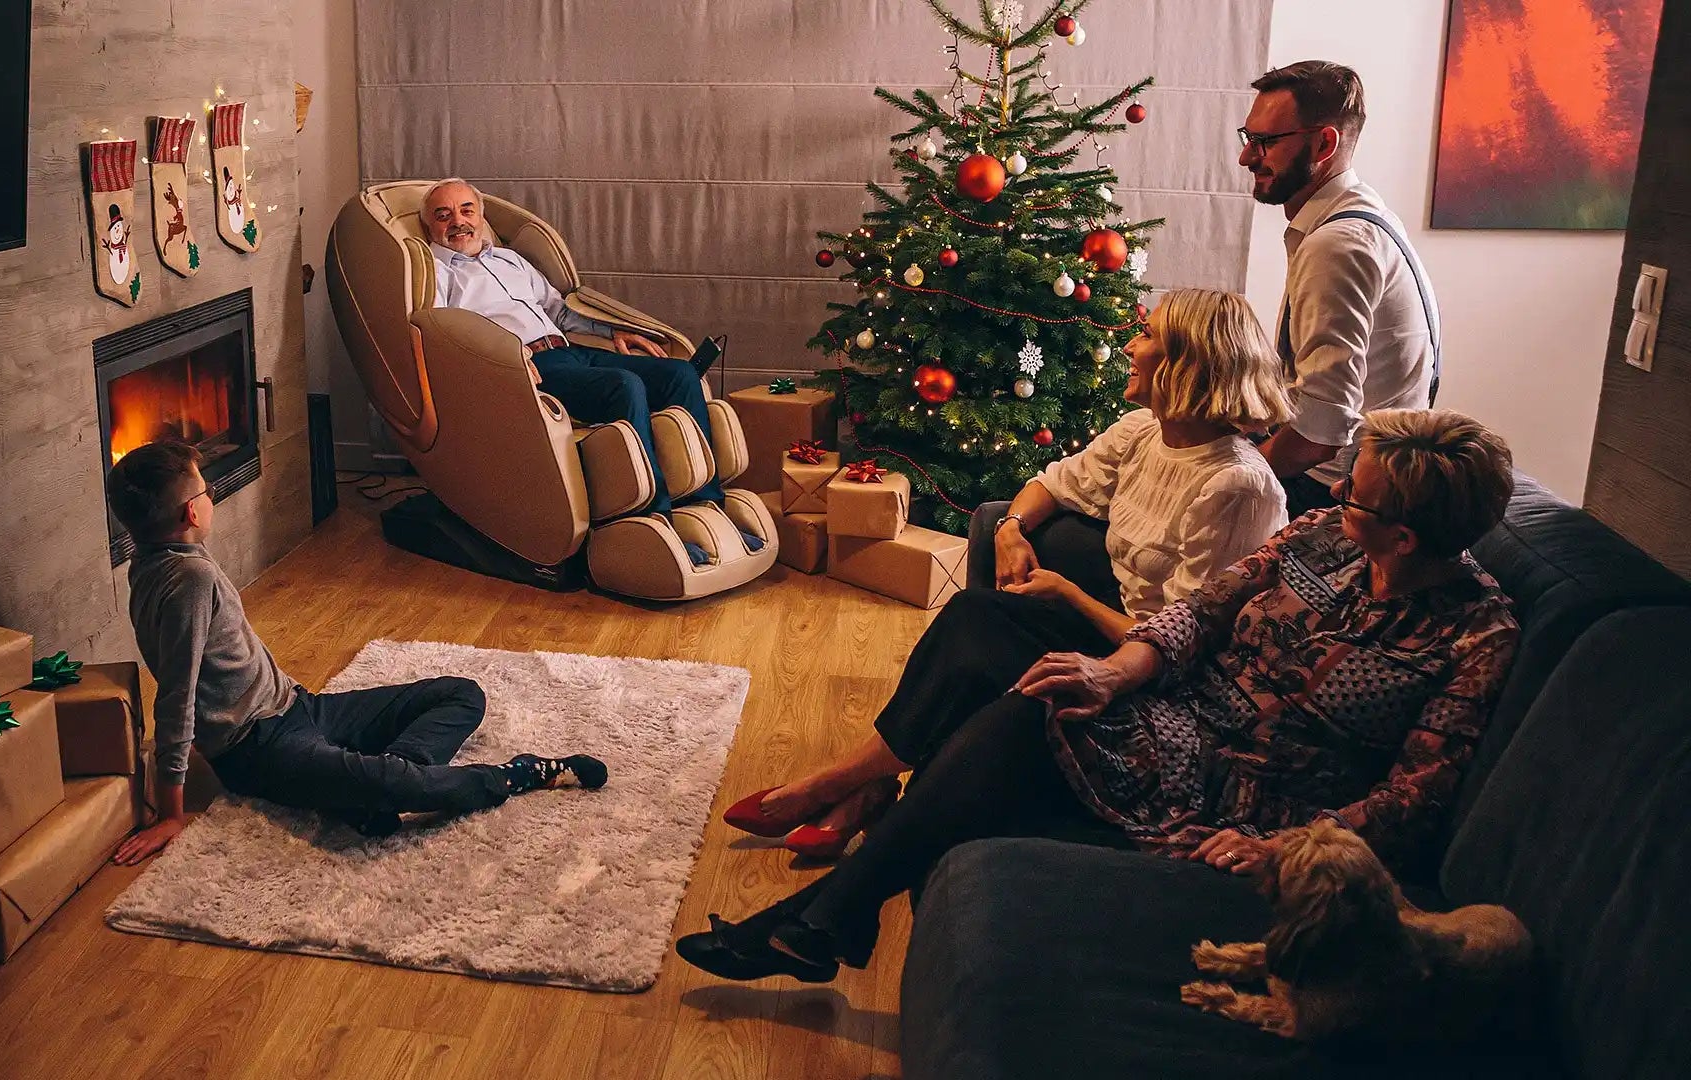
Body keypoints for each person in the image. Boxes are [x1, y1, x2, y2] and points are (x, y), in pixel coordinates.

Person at [680, 410, 1519, 983]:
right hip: (1178, 708)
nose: (1333, 499)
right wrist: (1117, 670)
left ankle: (825, 917)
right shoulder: (1324, 537)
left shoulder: (1473, 636)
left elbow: (1417, 793)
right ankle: (831, 913)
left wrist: (1293, 845)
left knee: (1025, 710)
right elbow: (1203, 609)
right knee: (1017, 652)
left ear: (1405, 535)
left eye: (1353, 495)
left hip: (1253, 794)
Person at [721, 288, 1291, 857]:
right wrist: (1012, 527)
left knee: (979, 627)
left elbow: (1183, 641)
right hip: (1114, 622)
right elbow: (1056, 481)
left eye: (1147, 337)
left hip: (1153, 669)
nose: (1129, 346)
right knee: (975, 615)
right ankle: (863, 785)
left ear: (1185, 364)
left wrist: (1065, 593)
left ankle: (842, 783)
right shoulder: (1143, 431)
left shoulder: (1234, 486)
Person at [107, 441, 608, 865]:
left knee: (460, 694)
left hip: (297, 707)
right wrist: (171, 813)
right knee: (408, 787)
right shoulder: (188, 579)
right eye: (206, 490)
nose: (211, 495)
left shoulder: (154, 559)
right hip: (259, 749)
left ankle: (381, 784)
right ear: (191, 513)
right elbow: (176, 697)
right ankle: (513, 776)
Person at [419, 178, 756, 565]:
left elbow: (559, 311)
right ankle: (655, 518)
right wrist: (504, 358)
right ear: (430, 226)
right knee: (624, 387)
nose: (458, 222)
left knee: (680, 374)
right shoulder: (436, 273)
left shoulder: (508, 259)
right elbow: (444, 334)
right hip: (530, 368)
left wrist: (613, 330)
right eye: (443, 216)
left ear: (481, 216)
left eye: (466, 210)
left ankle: (707, 506)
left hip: (568, 349)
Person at [1242, 61, 1441, 514]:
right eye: (1248, 138)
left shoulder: (1336, 244)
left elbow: (1319, 434)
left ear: (1325, 142)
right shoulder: (1362, 215)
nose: (1247, 157)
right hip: (1352, 469)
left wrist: (1237, 474)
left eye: (1265, 142)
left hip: (1336, 493)